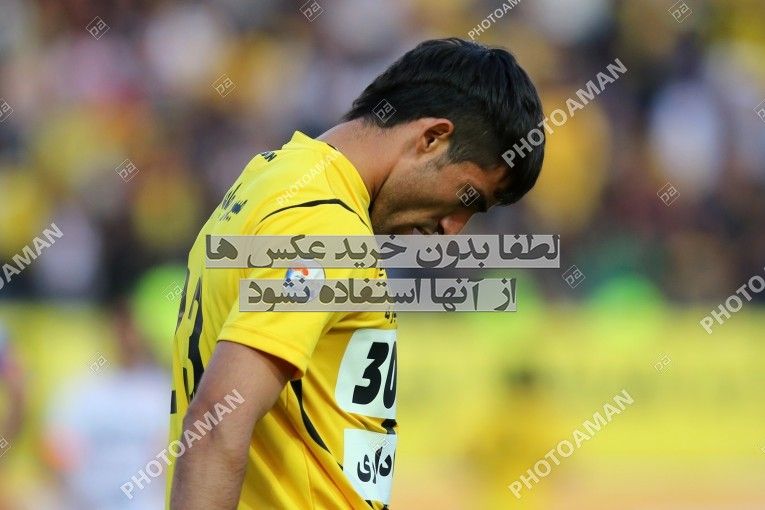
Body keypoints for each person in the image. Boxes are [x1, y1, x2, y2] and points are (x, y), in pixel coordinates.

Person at [167, 37, 545, 509]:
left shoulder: (270, 179)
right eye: (468, 198)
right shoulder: (323, 222)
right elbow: (216, 424)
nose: (452, 229)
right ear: (432, 138)